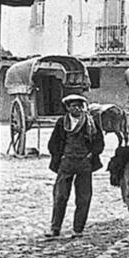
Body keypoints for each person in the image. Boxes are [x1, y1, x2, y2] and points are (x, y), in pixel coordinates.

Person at [46, 94, 104, 238]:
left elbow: (99, 142)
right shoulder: (61, 123)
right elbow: (53, 143)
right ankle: (55, 228)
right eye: (73, 106)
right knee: (60, 196)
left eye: (79, 106)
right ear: (68, 108)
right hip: (66, 163)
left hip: (84, 163)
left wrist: (92, 154)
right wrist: (60, 157)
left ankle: (78, 229)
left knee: (83, 197)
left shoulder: (90, 122)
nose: (77, 109)